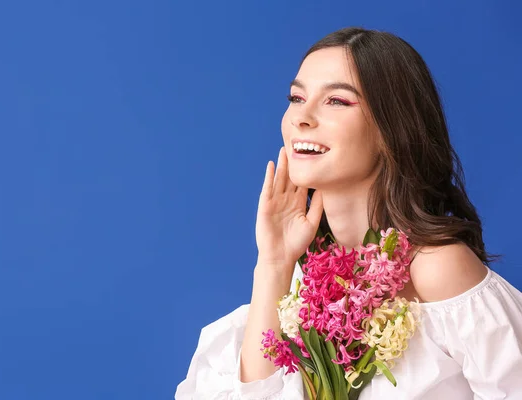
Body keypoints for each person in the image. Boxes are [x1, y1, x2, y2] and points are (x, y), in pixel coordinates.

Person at [175, 27, 522, 399]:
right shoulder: (302, 278)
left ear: (391, 128)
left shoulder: (438, 268)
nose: (301, 118)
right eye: (296, 97)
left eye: (336, 101)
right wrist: (274, 264)